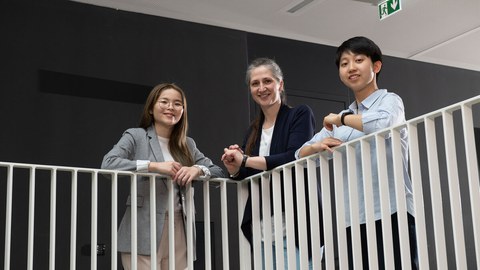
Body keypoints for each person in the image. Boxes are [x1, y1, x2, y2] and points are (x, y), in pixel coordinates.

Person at [295, 36, 417, 269]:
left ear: (376, 66)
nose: (351, 67)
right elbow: (299, 155)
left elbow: (382, 124)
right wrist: (314, 147)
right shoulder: (340, 121)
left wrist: (341, 118)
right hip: (353, 219)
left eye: (358, 60)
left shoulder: (390, 101)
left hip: (391, 211)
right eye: (344, 63)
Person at [101, 83, 225, 270]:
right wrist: (153, 166)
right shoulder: (136, 136)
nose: (170, 107)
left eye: (177, 103)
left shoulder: (188, 144)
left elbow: (218, 172)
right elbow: (108, 164)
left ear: (183, 110)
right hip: (142, 225)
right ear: (151, 108)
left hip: (181, 225)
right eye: (164, 102)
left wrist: (197, 170)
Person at [221, 57, 316, 269]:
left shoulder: (299, 114)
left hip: (294, 225)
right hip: (262, 227)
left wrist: (245, 159)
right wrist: (235, 168)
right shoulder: (252, 131)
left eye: (267, 81)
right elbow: (248, 173)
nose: (261, 88)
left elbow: (294, 156)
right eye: (255, 83)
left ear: (280, 84)